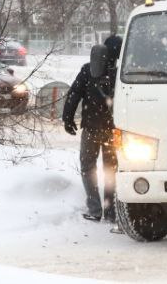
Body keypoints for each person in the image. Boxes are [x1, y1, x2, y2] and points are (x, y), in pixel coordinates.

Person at [63, 35, 123, 222]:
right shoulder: (122, 72)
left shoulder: (88, 70)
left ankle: (95, 209)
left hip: (91, 127)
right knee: (112, 169)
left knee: (88, 166)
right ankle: (112, 210)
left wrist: (68, 118)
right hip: (114, 129)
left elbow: (74, 94)